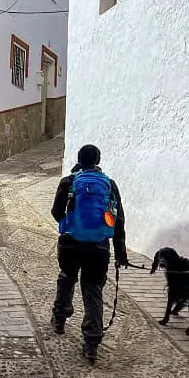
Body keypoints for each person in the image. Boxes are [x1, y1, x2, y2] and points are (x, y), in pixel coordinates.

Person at [50, 144, 128, 363]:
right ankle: (91, 343)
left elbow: (56, 211)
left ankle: (59, 318)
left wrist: (71, 223)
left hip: (70, 243)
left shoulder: (68, 182)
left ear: (79, 159)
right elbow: (118, 219)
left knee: (67, 279)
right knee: (93, 289)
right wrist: (121, 252)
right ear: (98, 159)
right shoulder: (109, 185)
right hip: (99, 246)